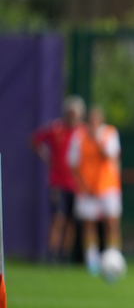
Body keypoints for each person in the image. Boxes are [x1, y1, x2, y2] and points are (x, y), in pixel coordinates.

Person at [67, 105, 123, 276]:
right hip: (87, 189)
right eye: (90, 120)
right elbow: (73, 163)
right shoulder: (79, 136)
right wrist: (82, 185)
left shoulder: (109, 134)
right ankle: (92, 263)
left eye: (96, 120)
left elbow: (110, 155)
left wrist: (96, 138)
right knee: (88, 224)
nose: (93, 123)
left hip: (108, 187)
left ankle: (114, 259)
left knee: (111, 223)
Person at [29, 95, 85, 263]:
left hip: (77, 184)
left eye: (75, 113)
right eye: (70, 112)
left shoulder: (82, 133)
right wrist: (46, 157)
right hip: (58, 182)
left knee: (71, 221)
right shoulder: (56, 129)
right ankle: (52, 254)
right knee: (58, 219)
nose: (72, 116)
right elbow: (35, 140)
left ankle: (64, 255)